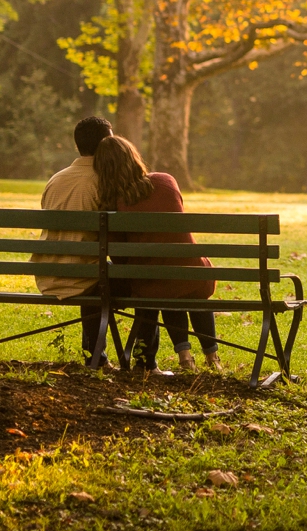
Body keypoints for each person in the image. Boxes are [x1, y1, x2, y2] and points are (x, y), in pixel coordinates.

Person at [93, 134, 222, 372]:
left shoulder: (113, 205)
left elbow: (121, 259)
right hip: (195, 278)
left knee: (162, 286)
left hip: (152, 284)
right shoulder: (166, 181)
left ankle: (185, 357)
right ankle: (213, 358)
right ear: (133, 157)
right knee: (182, 283)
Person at [32, 115, 120, 366]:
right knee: (140, 279)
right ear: (106, 144)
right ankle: (143, 358)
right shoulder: (103, 181)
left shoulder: (55, 179)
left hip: (49, 274)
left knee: (95, 270)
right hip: (85, 277)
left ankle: (94, 355)